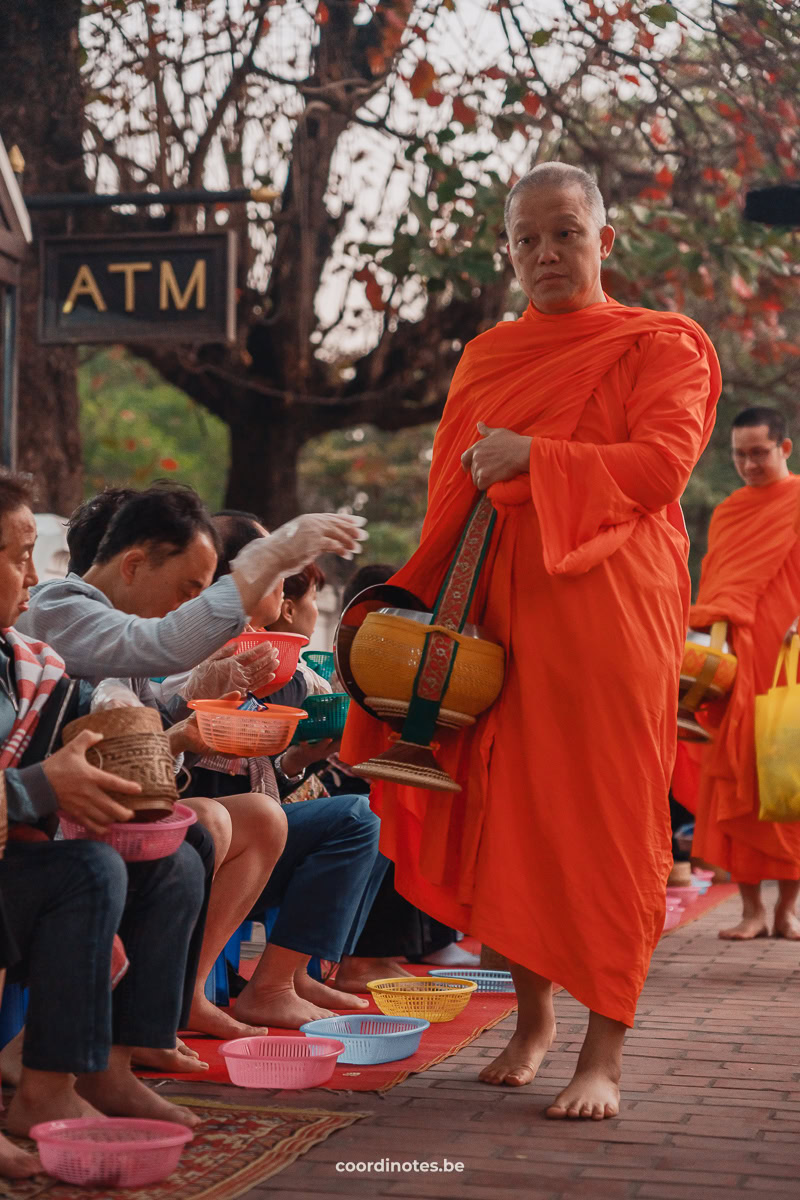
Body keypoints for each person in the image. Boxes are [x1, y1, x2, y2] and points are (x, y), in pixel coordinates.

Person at [342, 161, 721, 1119]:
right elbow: (447, 498)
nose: (547, 253)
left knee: (606, 814)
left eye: (565, 233)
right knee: (508, 813)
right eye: (527, 239)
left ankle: (605, 1051)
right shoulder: (487, 357)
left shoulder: (662, 343)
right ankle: (532, 1020)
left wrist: (534, 457)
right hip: (500, 616)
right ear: (509, 252)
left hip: (610, 612)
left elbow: (661, 467)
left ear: (605, 240)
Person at [19, 486, 365, 1038]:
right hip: (59, 827)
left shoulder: (105, 618)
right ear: (133, 562)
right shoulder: (60, 607)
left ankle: (188, 995)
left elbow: (144, 708)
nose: (28, 578)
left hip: (93, 812)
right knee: (204, 825)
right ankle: (135, 1028)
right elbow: (163, 648)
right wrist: (266, 560)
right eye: (189, 587)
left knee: (259, 815)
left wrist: (191, 699)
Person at [0, 471, 205, 1153]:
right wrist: (36, 789)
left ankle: (109, 1067)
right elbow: (33, 784)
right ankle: (47, 1089)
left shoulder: (24, 660)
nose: (33, 576)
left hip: (16, 845)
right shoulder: (71, 610)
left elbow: (82, 724)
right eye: (15, 555)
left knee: (172, 862)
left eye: (34, 553)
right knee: (88, 871)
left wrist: (126, 732)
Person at [179, 512, 391, 1026]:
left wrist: (302, 755)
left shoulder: (272, 660)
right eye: (273, 574)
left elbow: (268, 770)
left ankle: (292, 976)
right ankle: (263, 984)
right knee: (353, 819)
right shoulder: (192, 645)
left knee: (370, 815)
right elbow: (206, 757)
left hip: (245, 828)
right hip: (198, 819)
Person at [690, 406, 800, 939]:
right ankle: (752, 911)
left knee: (790, 775)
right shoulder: (730, 510)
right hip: (741, 655)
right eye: (740, 454)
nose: (750, 464)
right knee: (742, 778)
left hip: (791, 657)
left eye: (759, 452)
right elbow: (715, 581)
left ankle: (787, 910)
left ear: (784, 448)